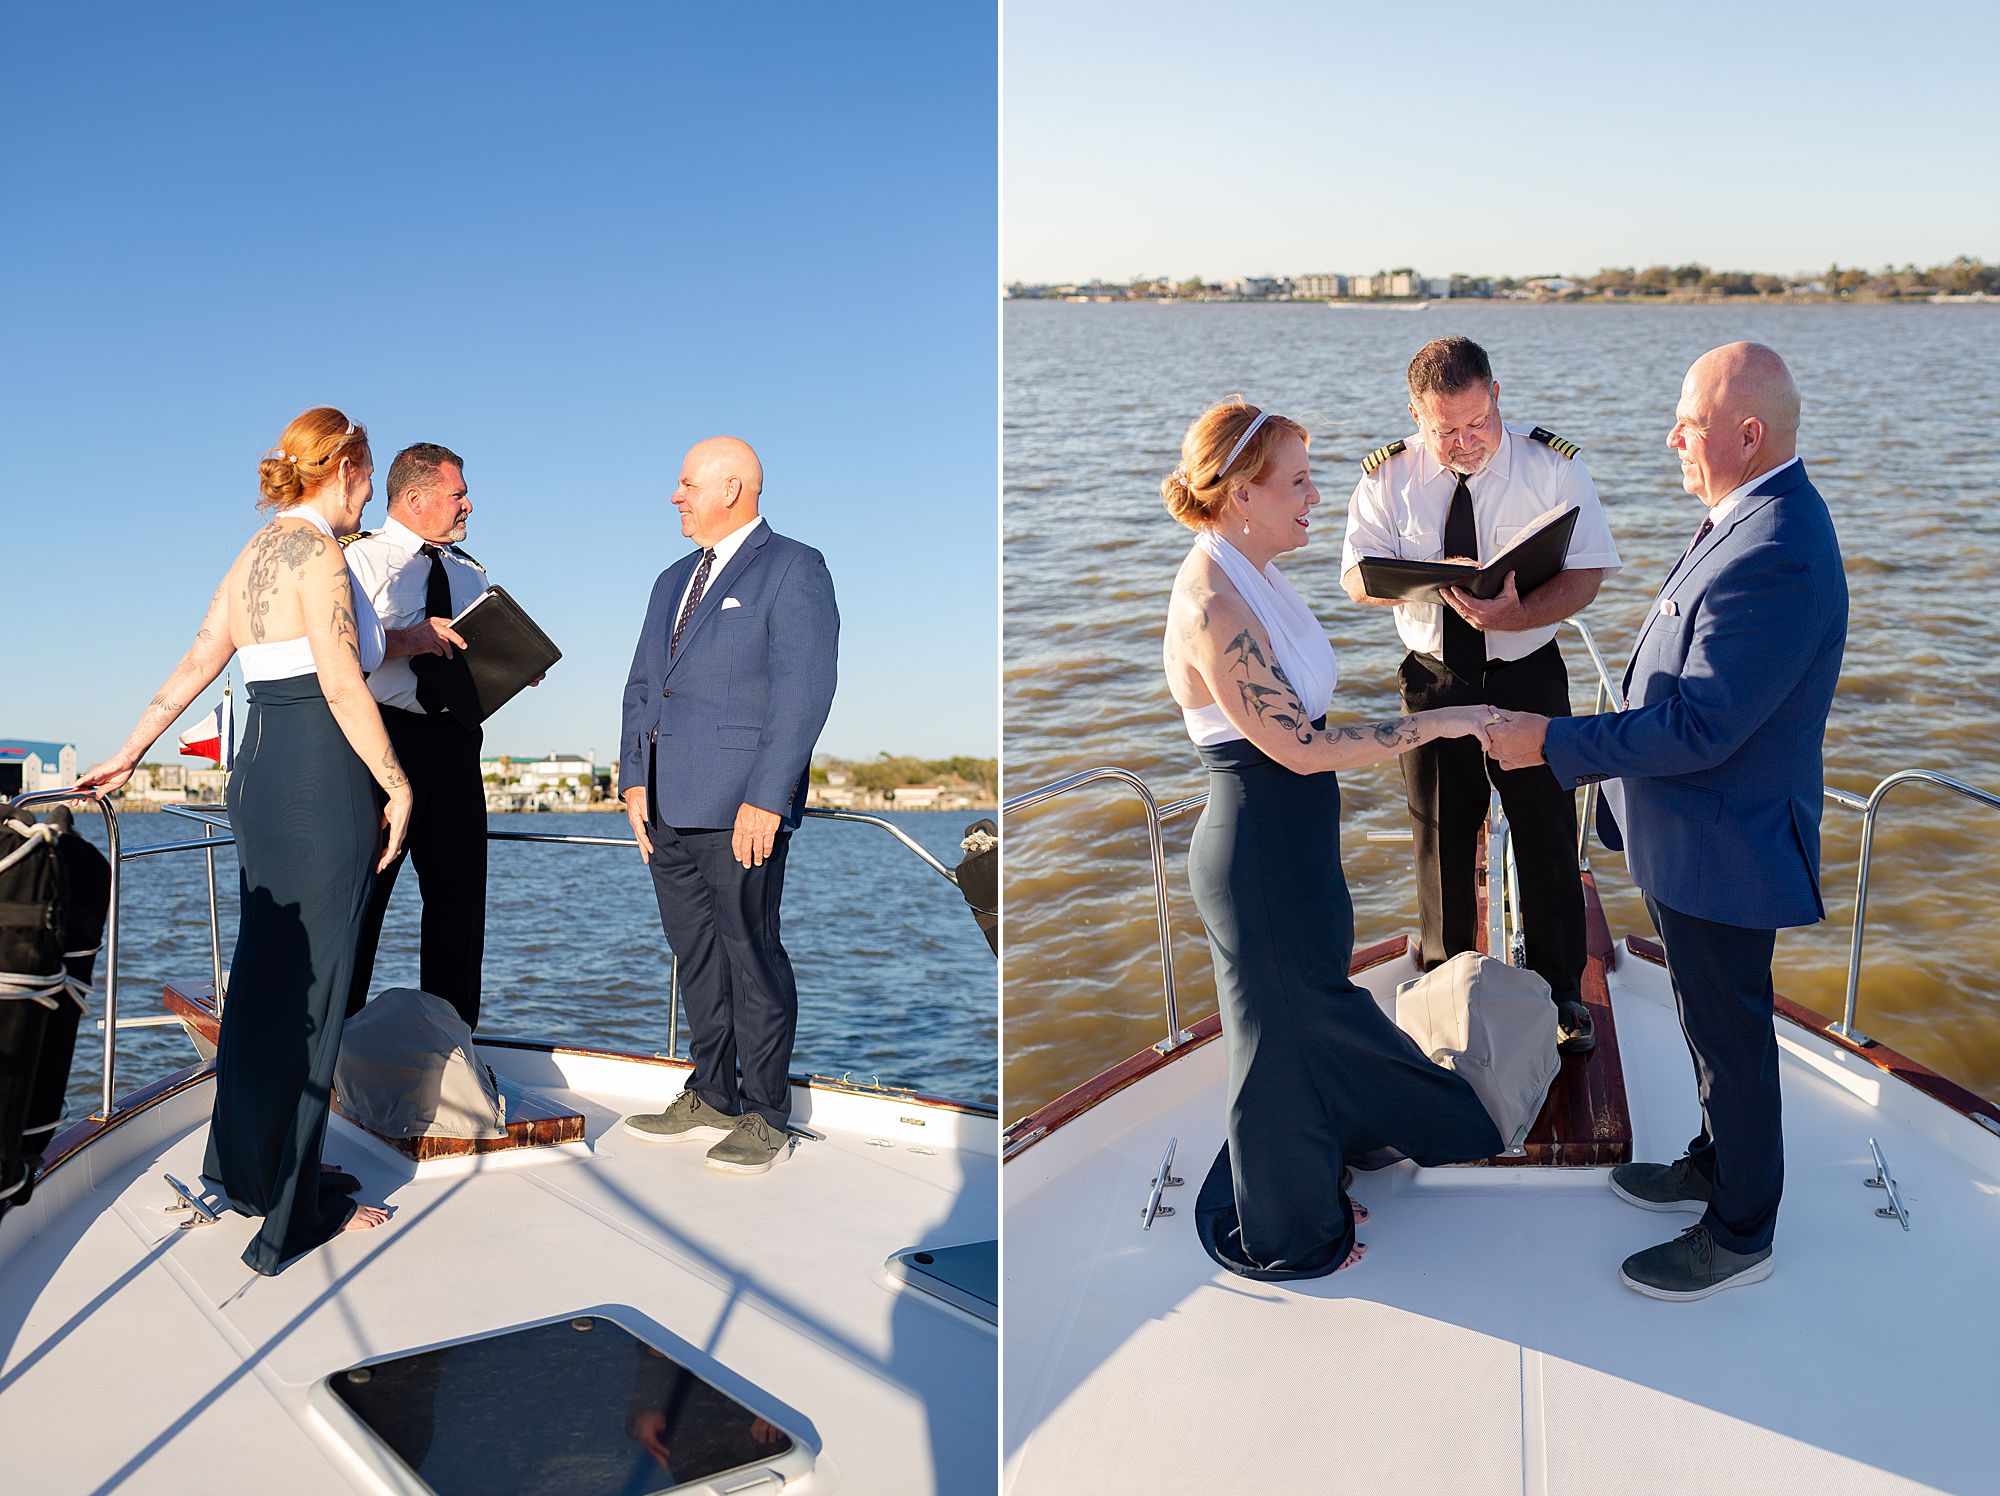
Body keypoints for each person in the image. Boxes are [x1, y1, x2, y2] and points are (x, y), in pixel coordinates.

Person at [1487, 343, 1846, 1300]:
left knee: (1732, 1041)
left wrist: (1553, 744)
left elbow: (1703, 725)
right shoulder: (1746, 517)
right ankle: (1709, 1161)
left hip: (1728, 846)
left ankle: (1739, 1232)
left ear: (1749, 432)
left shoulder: (1776, 545)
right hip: (1695, 841)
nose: (1673, 437)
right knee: (1700, 1022)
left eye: (1688, 422)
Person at [1162, 396, 1505, 1281]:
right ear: (1242, 493)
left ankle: (1327, 1151)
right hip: (1258, 849)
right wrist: (1441, 723)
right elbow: (1299, 748)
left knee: (1310, 1011)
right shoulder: (1212, 603)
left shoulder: (1259, 574)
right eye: (1299, 482)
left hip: (1297, 845)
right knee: (1278, 1043)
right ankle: (1291, 1229)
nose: (1316, 496)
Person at [78, 406, 405, 1274]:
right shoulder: (323, 556)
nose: (366, 496)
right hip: (317, 772)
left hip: (258, 775)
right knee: (318, 986)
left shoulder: (252, 553)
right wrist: (397, 782)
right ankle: (290, 1210)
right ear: (344, 467)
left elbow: (195, 664)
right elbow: (340, 679)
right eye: (366, 477)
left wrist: (127, 751)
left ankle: (252, 1169)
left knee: (266, 980)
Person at [1341, 337, 1622, 1054]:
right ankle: (1446, 989)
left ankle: (1562, 998)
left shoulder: (1552, 467)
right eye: (1447, 431)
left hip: (1526, 670)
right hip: (1435, 678)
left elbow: (1587, 572)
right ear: (1415, 414)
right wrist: (1425, 578)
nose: (1465, 443)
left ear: (1496, 394)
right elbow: (1355, 579)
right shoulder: (1388, 476)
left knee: (1548, 839)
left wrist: (1517, 613)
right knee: (1438, 838)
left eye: (1477, 423)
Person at [616, 437, 838, 1175]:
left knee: (752, 952)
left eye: (685, 484)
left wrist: (767, 798)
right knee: (696, 954)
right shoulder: (669, 579)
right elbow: (645, 684)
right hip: (666, 804)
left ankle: (765, 1112)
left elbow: (803, 692)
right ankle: (711, 1090)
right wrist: (633, 778)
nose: (674, 496)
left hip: (741, 806)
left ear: (732, 487)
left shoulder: (794, 568)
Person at [342, 443, 491, 1030]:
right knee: (363, 900)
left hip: (455, 742)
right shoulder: (359, 564)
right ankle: (334, 1050)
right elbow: (337, 655)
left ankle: (454, 1050)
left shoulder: (470, 573)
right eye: (457, 495)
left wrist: (511, 664)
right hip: (383, 741)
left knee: (458, 906)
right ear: (415, 499)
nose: (468, 505)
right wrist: (409, 637)